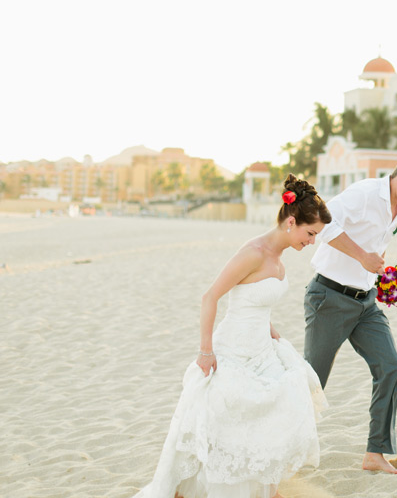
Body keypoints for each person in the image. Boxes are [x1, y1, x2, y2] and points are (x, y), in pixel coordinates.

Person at [133, 176, 331, 498]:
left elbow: (254, 300)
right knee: (228, 422)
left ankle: (266, 486)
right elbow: (210, 297)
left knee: (287, 396)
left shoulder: (278, 257)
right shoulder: (254, 252)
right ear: (291, 221)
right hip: (233, 349)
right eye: (310, 234)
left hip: (262, 347)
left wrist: (271, 330)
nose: (311, 242)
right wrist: (206, 352)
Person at [303, 149, 397, 474]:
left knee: (391, 367)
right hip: (329, 298)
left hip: (365, 302)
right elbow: (321, 225)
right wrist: (362, 256)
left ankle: (375, 453)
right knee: (313, 383)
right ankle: (280, 450)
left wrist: (382, 277)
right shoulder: (364, 193)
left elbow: (376, 245)